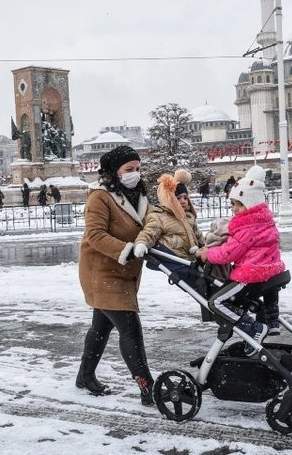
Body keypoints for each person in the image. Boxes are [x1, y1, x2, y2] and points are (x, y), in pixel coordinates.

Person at [77, 145, 155, 406]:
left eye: (138, 169)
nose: (135, 174)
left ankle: (85, 375)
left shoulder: (140, 197)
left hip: (126, 272)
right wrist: (127, 250)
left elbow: (153, 226)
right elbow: (95, 235)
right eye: (129, 170)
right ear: (114, 172)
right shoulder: (100, 197)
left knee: (101, 326)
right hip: (102, 271)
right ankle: (148, 388)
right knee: (130, 329)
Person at [196, 166, 286, 355]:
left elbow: (229, 254)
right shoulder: (265, 221)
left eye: (239, 204)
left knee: (216, 303)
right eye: (232, 205)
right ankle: (272, 321)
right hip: (271, 272)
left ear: (251, 204)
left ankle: (253, 328)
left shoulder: (247, 227)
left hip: (250, 274)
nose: (234, 209)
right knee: (255, 299)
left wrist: (207, 254)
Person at [132, 169, 205, 279]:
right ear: (168, 198)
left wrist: (207, 248)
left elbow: (199, 237)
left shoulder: (188, 217)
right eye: (178, 198)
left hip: (193, 261)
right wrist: (141, 243)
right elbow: (149, 232)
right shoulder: (159, 216)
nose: (183, 201)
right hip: (177, 261)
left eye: (185, 197)